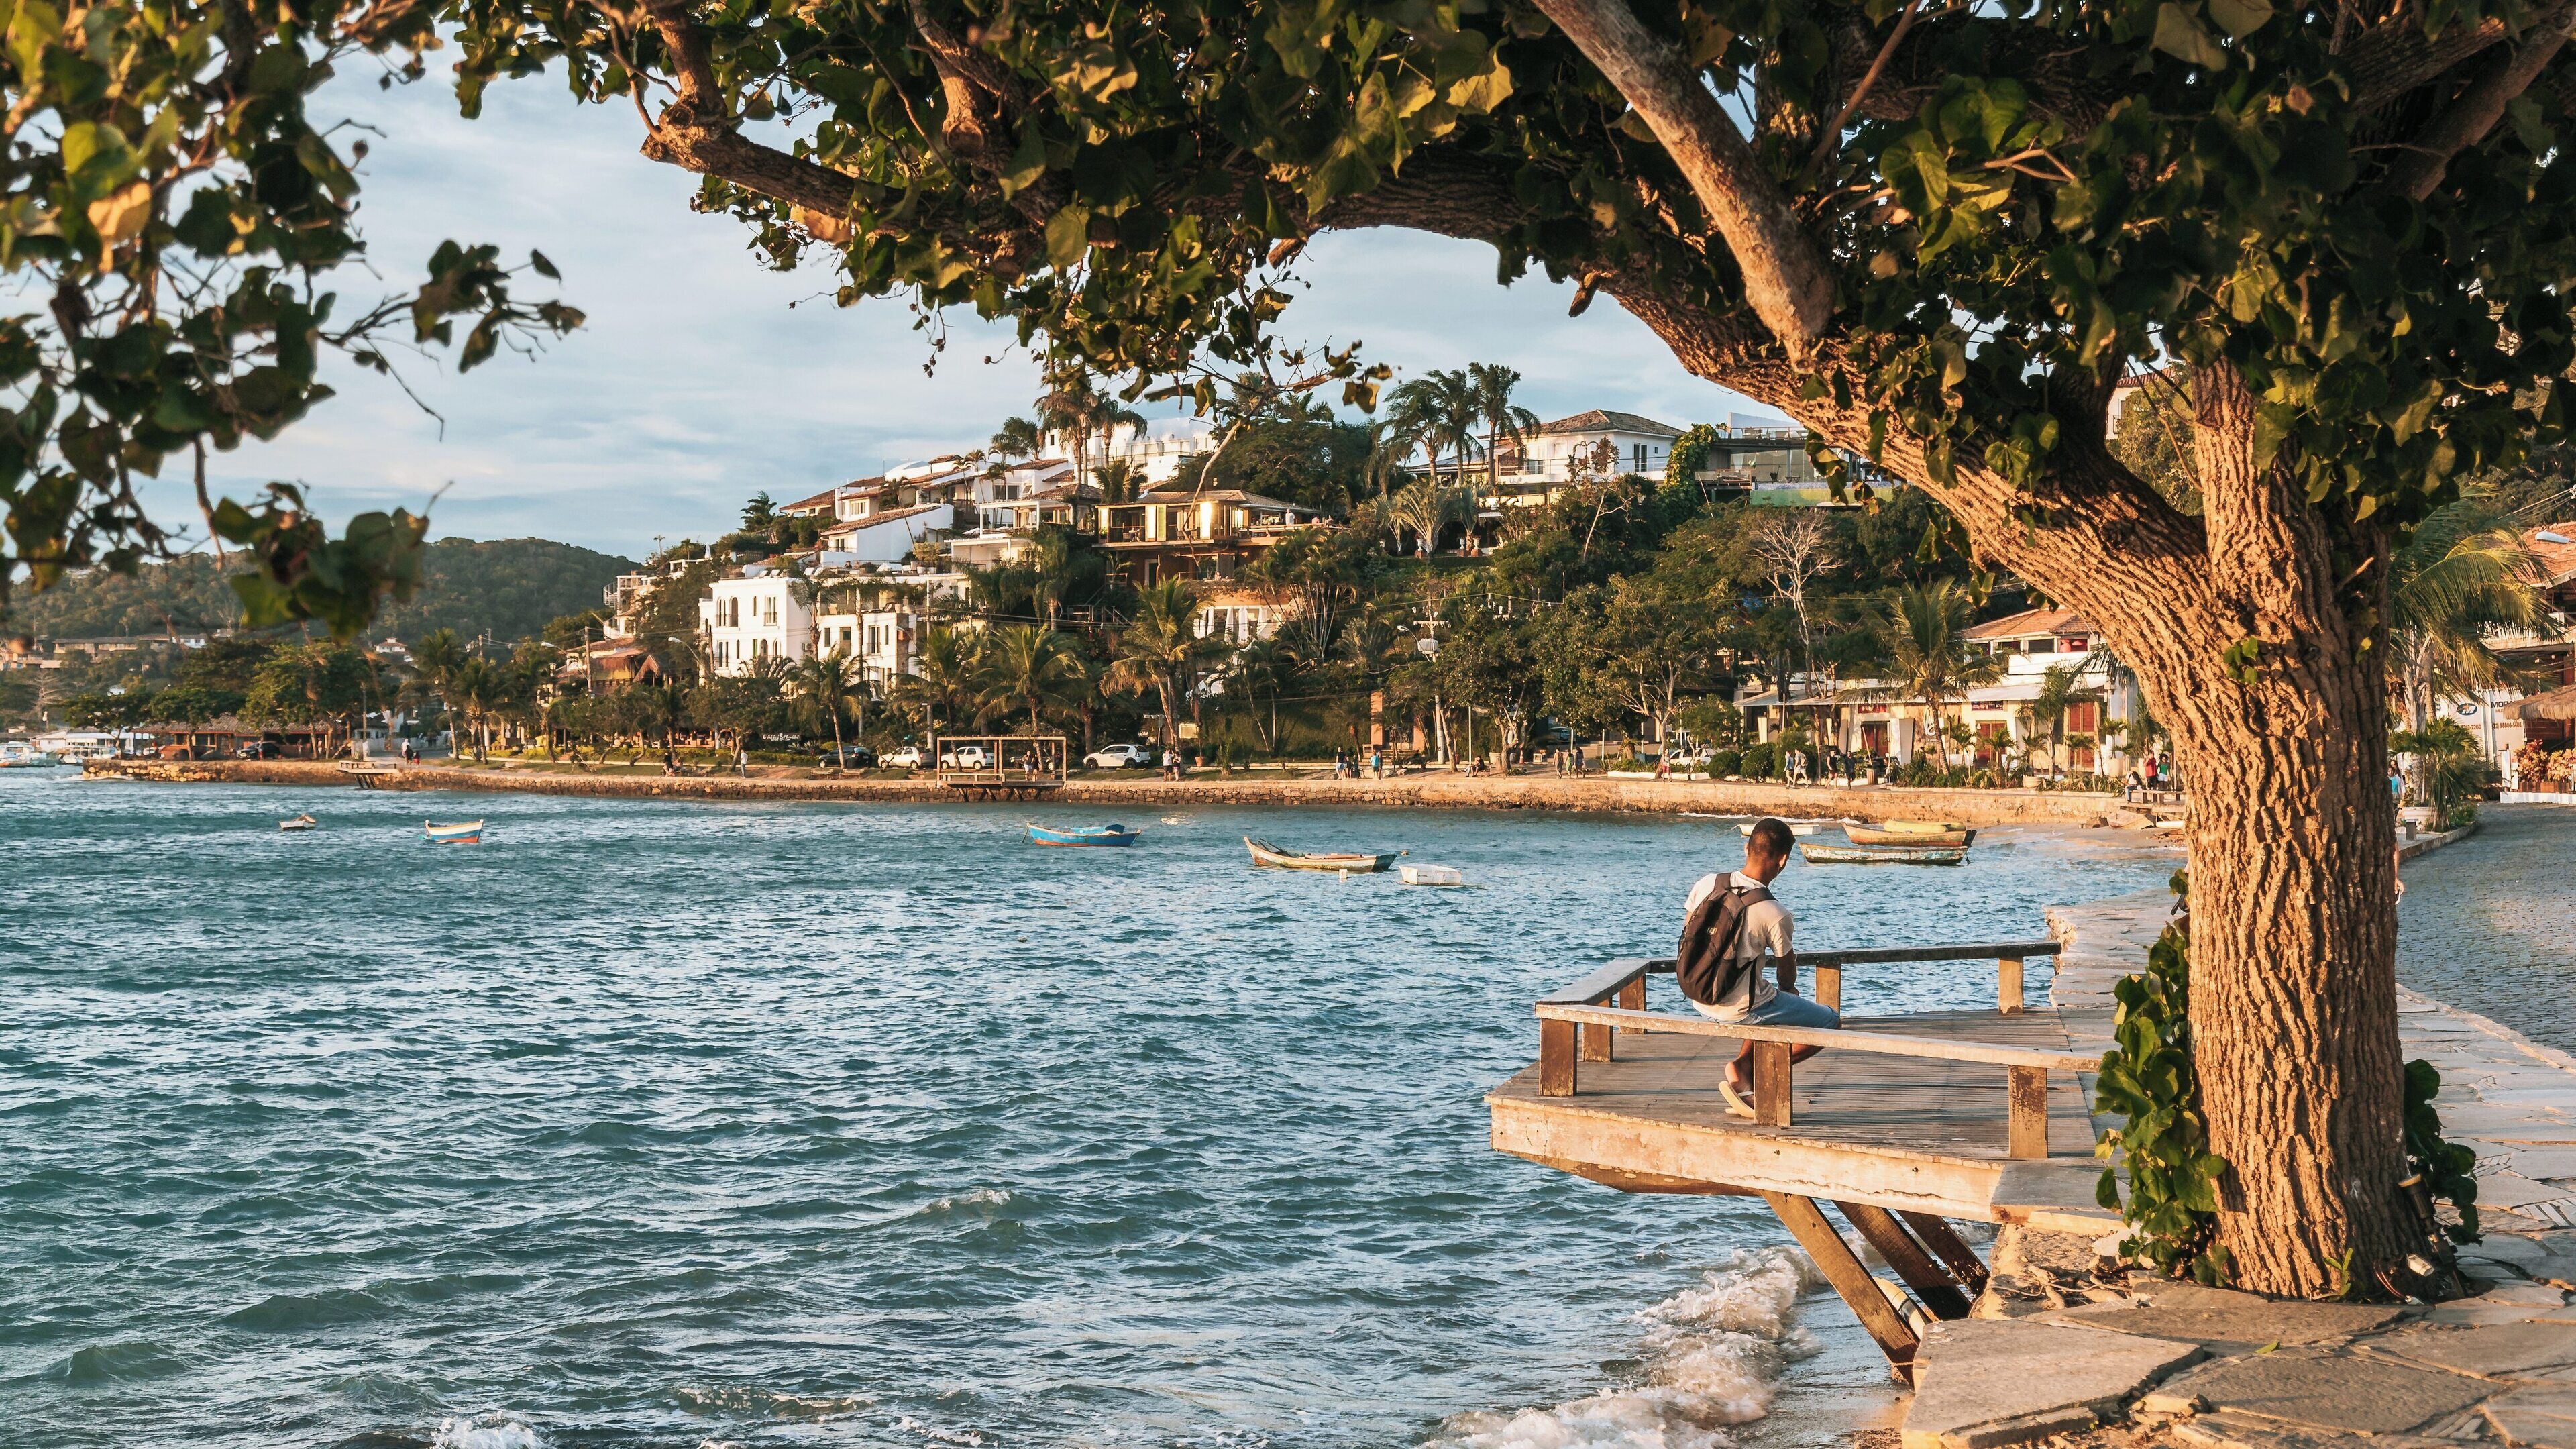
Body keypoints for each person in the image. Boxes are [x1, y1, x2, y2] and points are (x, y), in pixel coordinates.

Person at [1672, 816, 1839, 1119]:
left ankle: (1741, 1070)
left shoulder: (1707, 883)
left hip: (1697, 995)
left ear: (1747, 848)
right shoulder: (1774, 913)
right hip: (1737, 1009)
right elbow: (1786, 976)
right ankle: (1754, 1067)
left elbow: (1688, 937)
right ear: (1784, 860)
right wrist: (1790, 991)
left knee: (1766, 998)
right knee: (1829, 1022)